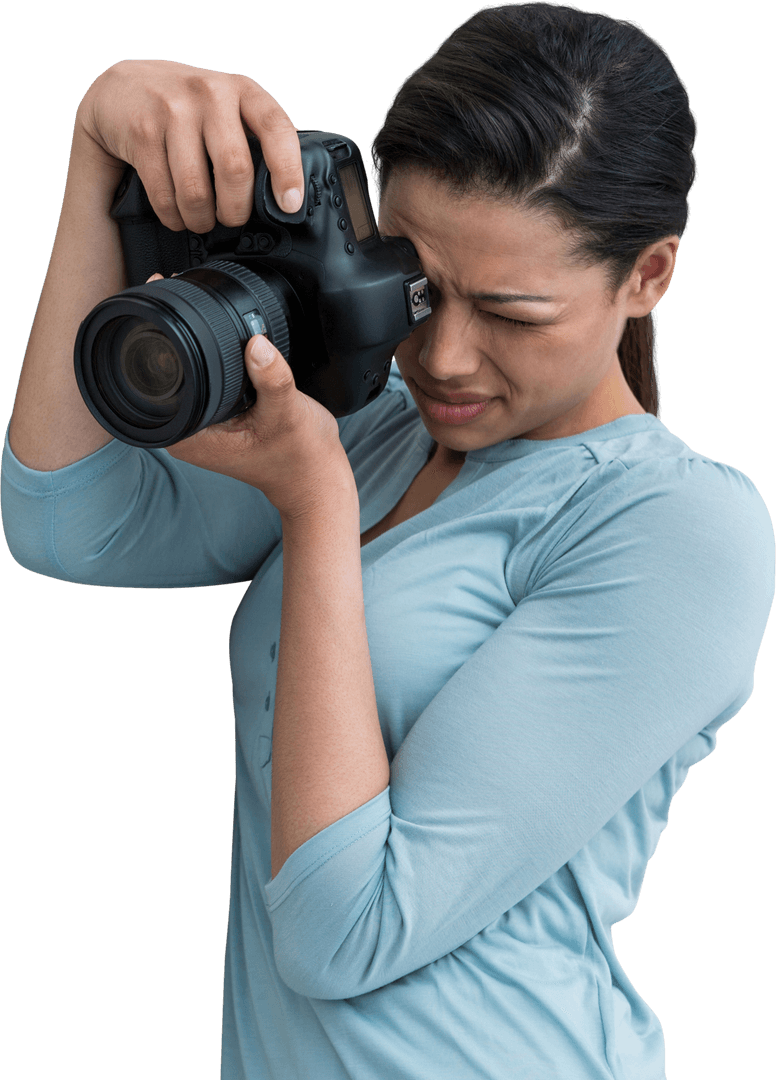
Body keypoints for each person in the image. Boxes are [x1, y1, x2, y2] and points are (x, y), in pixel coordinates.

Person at [2, 3, 773, 1078]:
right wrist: (98, 155)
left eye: (511, 312)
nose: (443, 358)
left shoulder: (679, 528)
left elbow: (343, 930)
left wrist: (314, 508)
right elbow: (65, 519)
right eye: (419, 288)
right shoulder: (372, 432)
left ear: (644, 277)